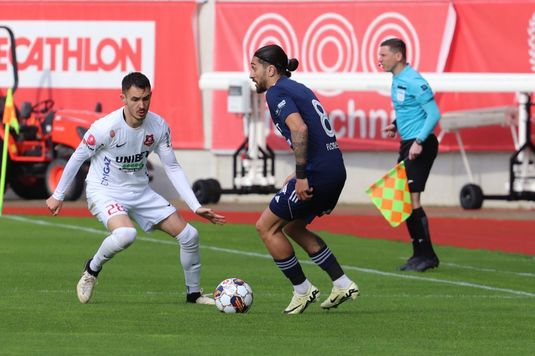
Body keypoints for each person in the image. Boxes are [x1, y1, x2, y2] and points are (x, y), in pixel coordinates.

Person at [45, 72, 226, 304]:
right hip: (104, 190)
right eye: (135, 99)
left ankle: (194, 295)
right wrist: (58, 194)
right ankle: (91, 270)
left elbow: (172, 167)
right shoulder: (105, 128)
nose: (142, 105)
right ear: (123, 98)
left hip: (140, 192)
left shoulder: (158, 126)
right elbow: (78, 157)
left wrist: (195, 205)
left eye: (146, 98)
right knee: (126, 234)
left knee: (190, 235)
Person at [249, 44, 359, 314]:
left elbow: (299, 128)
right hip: (334, 170)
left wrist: (301, 175)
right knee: (294, 227)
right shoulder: (299, 88)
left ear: (270, 69)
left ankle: (302, 289)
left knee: (266, 227)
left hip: (317, 173)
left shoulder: (276, 92)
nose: (251, 74)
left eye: (254, 68)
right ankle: (342, 283)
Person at [379, 38, 441, 272]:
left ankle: (426, 256)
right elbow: (410, 110)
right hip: (408, 144)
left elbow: (433, 114)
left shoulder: (415, 81)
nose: (380, 60)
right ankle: (419, 254)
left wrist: (418, 141)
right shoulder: (397, 80)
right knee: (401, 199)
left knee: (412, 200)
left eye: (383, 55)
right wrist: (396, 124)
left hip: (420, 145)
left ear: (398, 56)